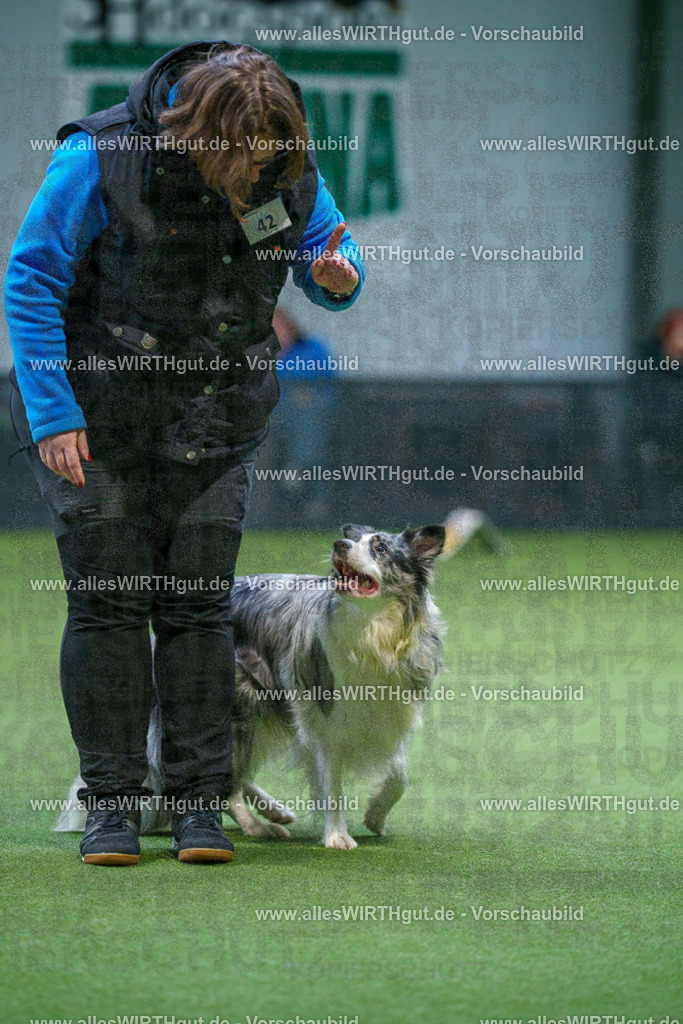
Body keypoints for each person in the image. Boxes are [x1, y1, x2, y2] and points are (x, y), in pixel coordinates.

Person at [4, 41, 365, 865]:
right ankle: (111, 809)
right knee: (109, 605)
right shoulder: (98, 157)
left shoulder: (284, 163)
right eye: (241, 157)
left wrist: (338, 276)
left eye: (272, 156)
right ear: (195, 133)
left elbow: (324, 257)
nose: (257, 173)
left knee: (198, 606)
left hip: (215, 421)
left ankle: (199, 806)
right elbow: (31, 280)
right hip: (97, 420)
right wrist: (53, 411)